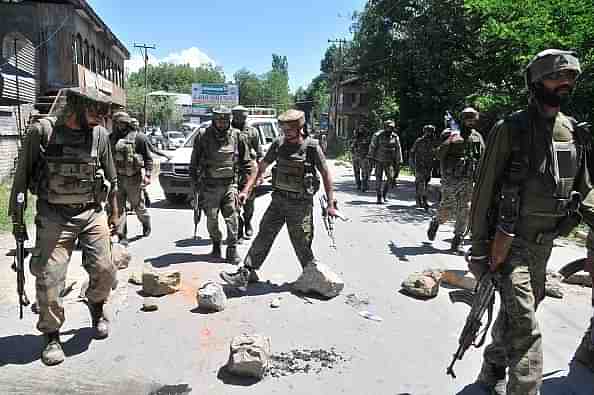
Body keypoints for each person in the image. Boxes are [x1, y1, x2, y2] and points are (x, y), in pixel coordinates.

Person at [468, 49, 594, 394]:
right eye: (557, 77)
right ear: (536, 83)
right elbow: (483, 193)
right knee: (526, 328)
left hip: (545, 245)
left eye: (571, 78)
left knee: (516, 315)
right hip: (510, 245)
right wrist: (478, 250)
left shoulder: (571, 133)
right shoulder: (511, 129)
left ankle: (492, 368)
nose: (565, 84)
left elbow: (584, 191)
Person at [9, 87, 119, 366]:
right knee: (49, 277)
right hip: (54, 215)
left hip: (91, 213)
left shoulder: (100, 135)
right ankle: (51, 334)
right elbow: (21, 180)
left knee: (105, 269)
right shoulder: (42, 131)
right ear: (76, 109)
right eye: (94, 113)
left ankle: (96, 304)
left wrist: (115, 215)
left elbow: (112, 179)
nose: (99, 119)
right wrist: (17, 221)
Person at [219, 109, 339, 290]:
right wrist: (246, 190)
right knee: (264, 235)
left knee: (302, 243)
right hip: (278, 202)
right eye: (283, 128)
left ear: (299, 128)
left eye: (289, 129)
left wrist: (330, 204)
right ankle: (246, 273)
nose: (285, 132)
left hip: (300, 205)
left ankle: (314, 278)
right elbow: (260, 168)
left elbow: (326, 175)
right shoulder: (278, 144)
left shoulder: (312, 147)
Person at [189, 106, 256, 264]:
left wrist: (247, 189)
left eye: (225, 120)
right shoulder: (203, 136)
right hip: (209, 186)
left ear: (229, 120)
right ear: (213, 119)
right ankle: (216, 243)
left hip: (229, 186)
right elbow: (193, 164)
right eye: (219, 120)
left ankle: (232, 249)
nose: (221, 123)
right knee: (211, 220)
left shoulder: (237, 136)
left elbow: (248, 165)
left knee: (232, 219)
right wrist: (194, 187)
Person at [427, 107, 485, 253]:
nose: (471, 122)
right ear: (463, 119)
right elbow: (439, 155)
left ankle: (457, 240)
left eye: (474, 119)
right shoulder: (451, 134)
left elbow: (483, 158)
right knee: (448, 208)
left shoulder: (477, 137)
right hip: (450, 179)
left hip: (468, 179)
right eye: (469, 119)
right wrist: (450, 141)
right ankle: (436, 222)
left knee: (465, 209)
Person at [110, 112, 153, 241]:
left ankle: (146, 222)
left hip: (133, 178)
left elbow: (148, 158)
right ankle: (122, 235)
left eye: (122, 123)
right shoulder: (111, 138)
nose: (119, 126)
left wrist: (148, 175)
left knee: (138, 206)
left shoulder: (139, 138)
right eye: (117, 123)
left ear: (127, 123)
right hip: (117, 178)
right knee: (119, 207)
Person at [232, 105, 263, 240]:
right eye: (238, 116)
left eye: (243, 116)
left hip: (248, 170)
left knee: (249, 202)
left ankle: (248, 222)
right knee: (232, 202)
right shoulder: (228, 130)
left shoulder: (253, 131)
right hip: (232, 169)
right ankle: (238, 226)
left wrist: (260, 174)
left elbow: (259, 152)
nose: (240, 119)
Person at [367, 119, 402, 204]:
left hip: (389, 161)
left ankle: (384, 194)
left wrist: (399, 160)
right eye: (389, 127)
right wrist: (370, 158)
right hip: (379, 160)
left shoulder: (395, 137)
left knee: (390, 178)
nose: (390, 129)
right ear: (385, 127)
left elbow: (398, 148)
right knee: (378, 179)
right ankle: (379, 197)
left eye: (392, 128)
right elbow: (372, 147)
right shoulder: (377, 135)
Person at [410, 124, 437, 210]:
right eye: (428, 131)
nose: (429, 133)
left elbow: (437, 153)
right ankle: (423, 200)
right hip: (419, 166)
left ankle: (420, 198)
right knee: (420, 183)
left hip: (429, 166)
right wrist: (412, 164)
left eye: (431, 132)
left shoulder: (434, 142)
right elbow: (412, 152)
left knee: (425, 183)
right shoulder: (419, 141)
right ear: (424, 132)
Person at [350, 119, 373, 192]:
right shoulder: (356, 133)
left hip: (364, 156)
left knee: (365, 172)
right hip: (356, 155)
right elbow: (352, 145)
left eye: (362, 125)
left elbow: (370, 145)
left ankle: (364, 185)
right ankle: (358, 184)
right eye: (359, 125)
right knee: (356, 171)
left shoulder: (367, 134)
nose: (360, 127)